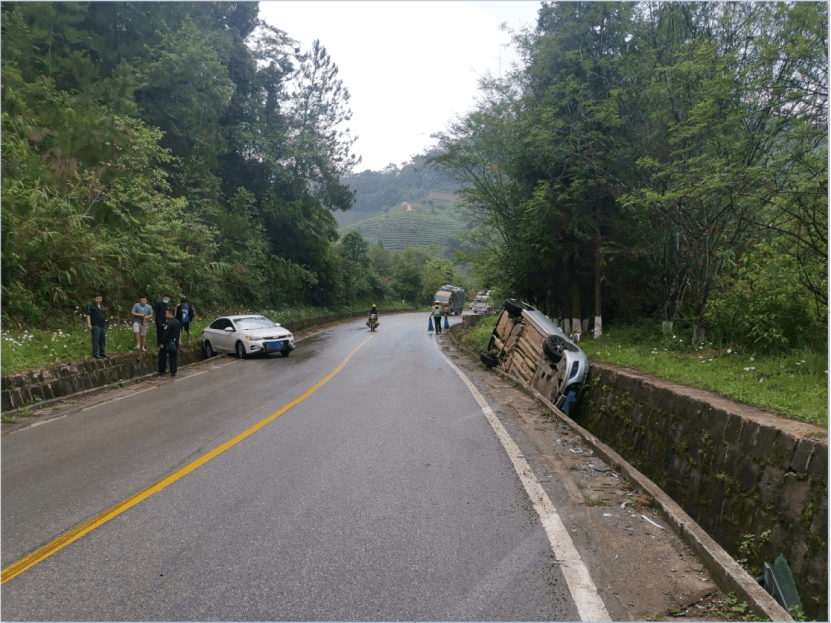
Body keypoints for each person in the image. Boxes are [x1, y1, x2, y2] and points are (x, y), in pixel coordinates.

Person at [158, 308, 181, 377]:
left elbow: (165, 334)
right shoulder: (177, 322)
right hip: (175, 342)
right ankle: (173, 371)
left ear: (170, 314)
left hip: (168, 342)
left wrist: (161, 342)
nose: (165, 315)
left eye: (167, 313)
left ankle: (162, 369)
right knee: (173, 357)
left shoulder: (169, 323)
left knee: (163, 355)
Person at [85, 293, 109, 358]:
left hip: (102, 325)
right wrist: (89, 324)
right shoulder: (90, 305)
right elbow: (88, 315)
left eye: (100, 298)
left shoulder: (102, 305)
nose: (99, 300)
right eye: (97, 298)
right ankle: (95, 354)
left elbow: (105, 314)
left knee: (102, 339)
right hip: (95, 325)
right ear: (94, 299)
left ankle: (102, 353)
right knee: (96, 339)